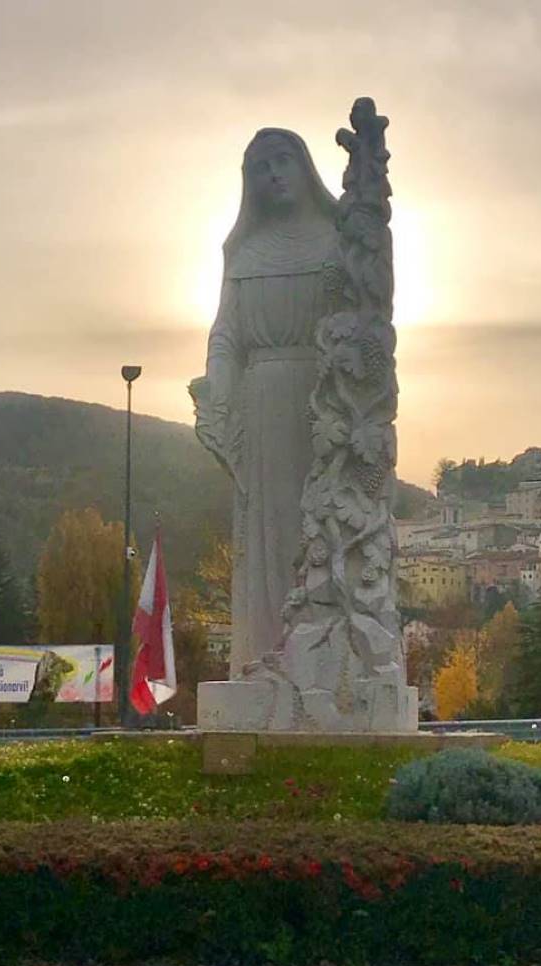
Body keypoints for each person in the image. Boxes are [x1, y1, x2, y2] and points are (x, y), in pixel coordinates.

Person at [191, 129, 338, 674]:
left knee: (318, 527)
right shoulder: (244, 253)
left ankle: (323, 655)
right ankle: (265, 653)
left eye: (283, 161)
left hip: (323, 405)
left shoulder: (339, 244)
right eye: (261, 167)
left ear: (305, 167)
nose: (274, 174)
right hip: (259, 407)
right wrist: (218, 392)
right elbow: (225, 335)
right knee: (266, 536)